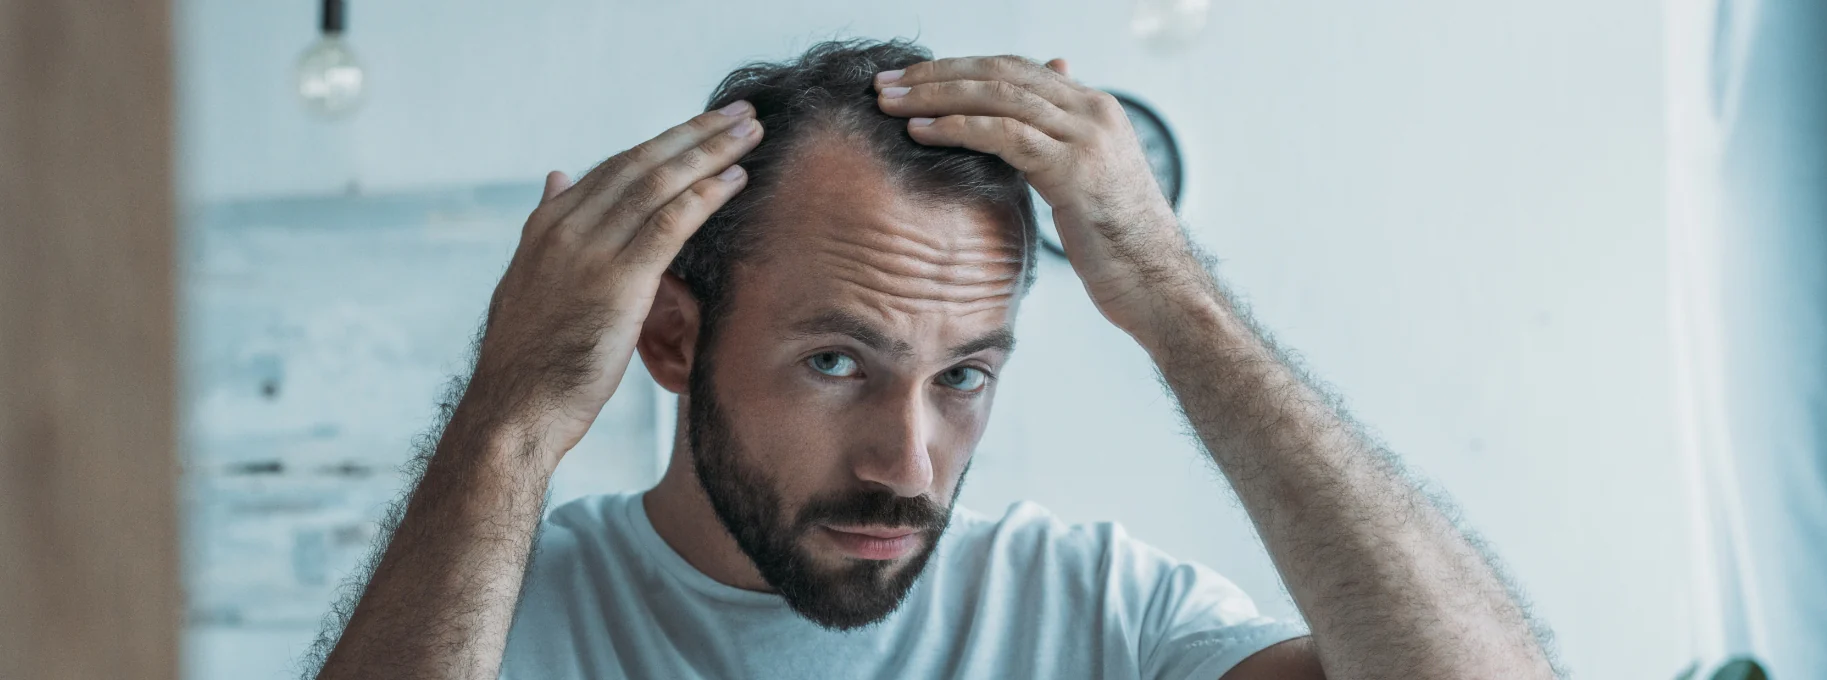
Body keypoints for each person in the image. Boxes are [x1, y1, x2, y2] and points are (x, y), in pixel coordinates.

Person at [307, 39, 1558, 679]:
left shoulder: (1093, 613)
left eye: (965, 373)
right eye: (839, 362)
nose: (910, 462)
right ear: (674, 338)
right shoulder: (498, 613)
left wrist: (1179, 306)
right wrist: (511, 412)